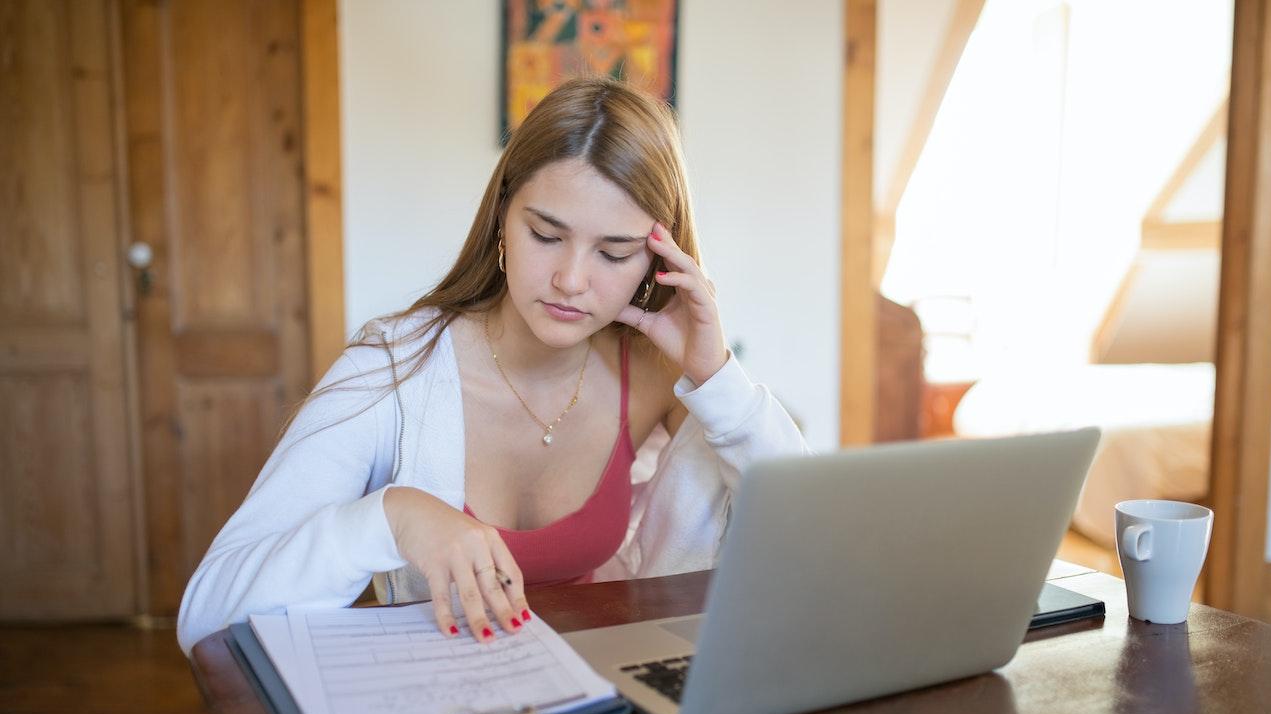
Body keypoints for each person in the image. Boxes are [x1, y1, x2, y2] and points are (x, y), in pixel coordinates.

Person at [176, 77, 810, 657]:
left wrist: (717, 378)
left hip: (606, 708)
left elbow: (807, 544)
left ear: (655, 260)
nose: (570, 279)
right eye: (545, 234)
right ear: (502, 218)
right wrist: (392, 518)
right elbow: (206, 614)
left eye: (614, 253)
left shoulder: (655, 376)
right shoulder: (393, 369)